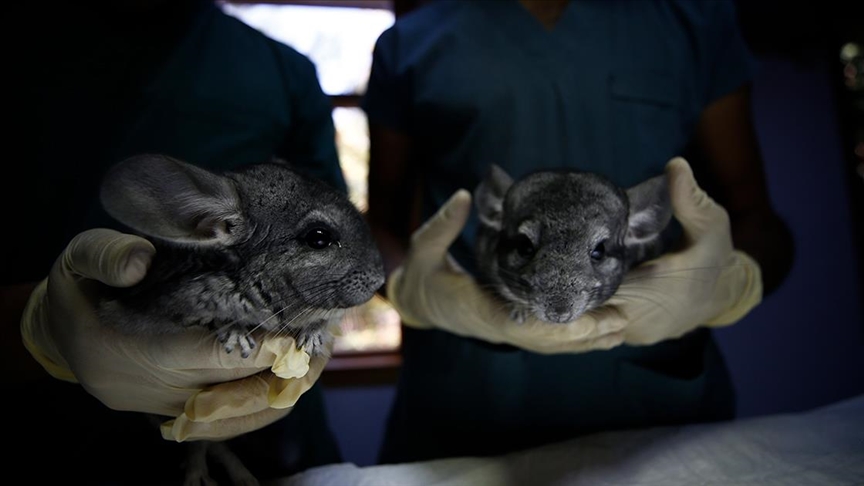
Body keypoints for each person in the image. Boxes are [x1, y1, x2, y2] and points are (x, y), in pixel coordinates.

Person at [362, 0, 795, 463]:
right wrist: (416, 289)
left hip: (656, 417)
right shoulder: (410, 44)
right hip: (463, 407)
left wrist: (731, 282)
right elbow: (377, 228)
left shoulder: (693, 21)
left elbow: (761, 221)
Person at [6, 0, 345, 483]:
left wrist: (312, 337)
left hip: (265, 443)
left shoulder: (281, 72)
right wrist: (36, 328)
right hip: (48, 432)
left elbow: (333, 247)